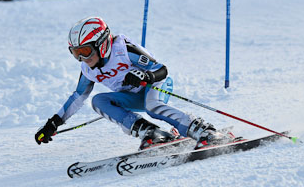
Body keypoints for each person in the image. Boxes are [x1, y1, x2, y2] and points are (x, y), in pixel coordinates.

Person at [35, 17, 233, 149]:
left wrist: (145, 77)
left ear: (101, 43)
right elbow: (78, 96)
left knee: (152, 106)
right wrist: (54, 123)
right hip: (133, 97)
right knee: (99, 101)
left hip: (157, 85)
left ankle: (202, 130)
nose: (82, 58)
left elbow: (161, 70)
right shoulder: (88, 69)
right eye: (76, 53)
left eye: (85, 51)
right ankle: (151, 132)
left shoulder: (123, 49)